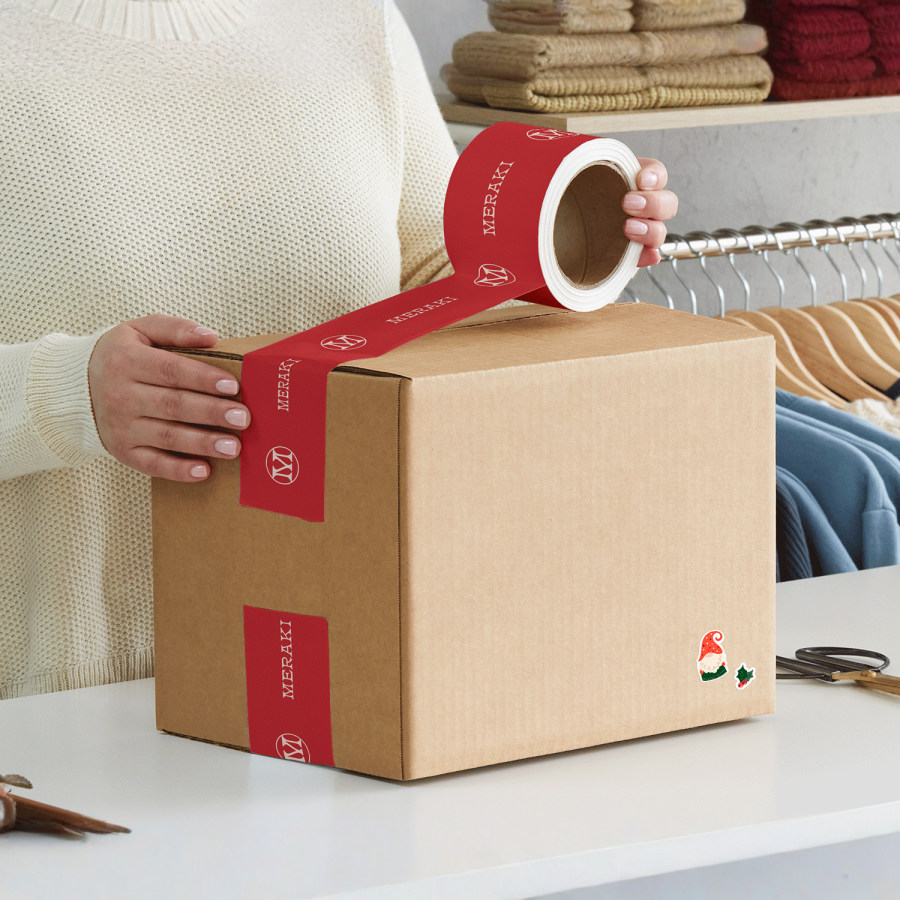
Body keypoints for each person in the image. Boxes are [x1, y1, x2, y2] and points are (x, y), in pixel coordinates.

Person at [0, 0, 678, 699]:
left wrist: (576, 244)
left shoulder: (354, 21)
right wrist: (64, 393)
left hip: (347, 669)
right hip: (63, 706)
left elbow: (442, 282)